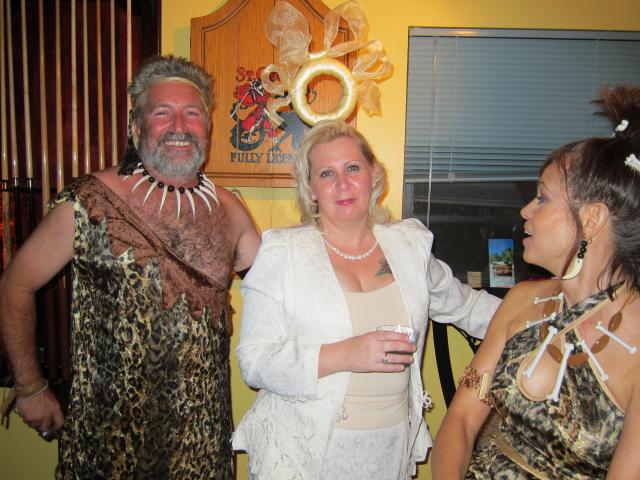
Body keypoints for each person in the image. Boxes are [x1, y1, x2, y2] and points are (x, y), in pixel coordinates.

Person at [0, 55, 260, 478]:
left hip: (202, 448)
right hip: (105, 445)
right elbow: (15, 283)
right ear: (136, 127)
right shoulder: (90, 202)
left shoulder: (230, 211)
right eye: (162, 113)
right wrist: (30, 386)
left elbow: (280, 288)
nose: (179, 126)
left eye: (192, 113)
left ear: (208, 127)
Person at [231, 119, 501, 479]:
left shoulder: (409, 246)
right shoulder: (283, 252)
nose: (342, 184)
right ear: (311, 189)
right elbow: (254, 361)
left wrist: (542, 312)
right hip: (302, 451)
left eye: (353, 168)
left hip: (389, 448)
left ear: (373, 175)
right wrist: (346, 353)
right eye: (326, 174)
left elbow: (467, 306)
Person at [431, 85, 640, 479]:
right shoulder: (522, 300)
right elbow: (461, 418)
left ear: (591, 219)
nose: (526, 210)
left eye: (542, 198)